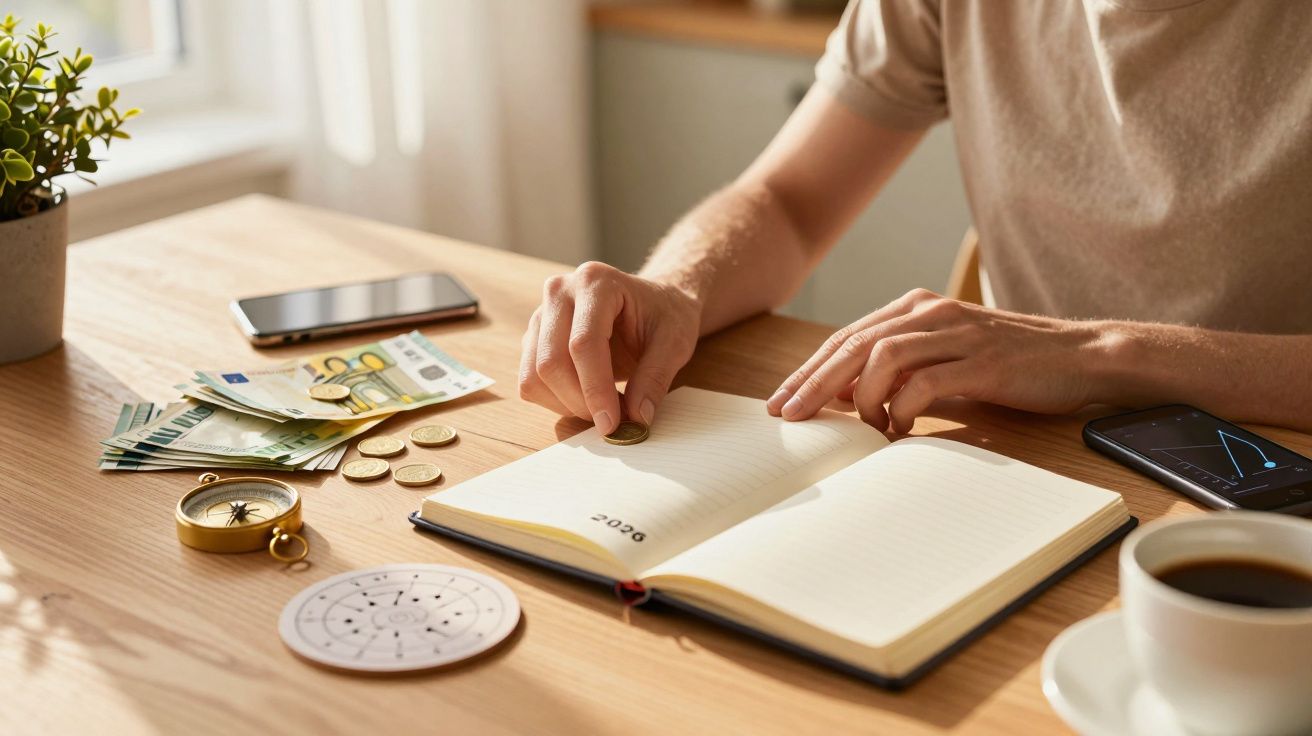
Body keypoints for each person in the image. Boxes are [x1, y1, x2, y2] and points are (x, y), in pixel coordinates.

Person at [519, 0, 1312, 435]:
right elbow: (787, 204)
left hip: (1269, 472)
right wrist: (676, 292)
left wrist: (1105, 354)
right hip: (1020, 450)